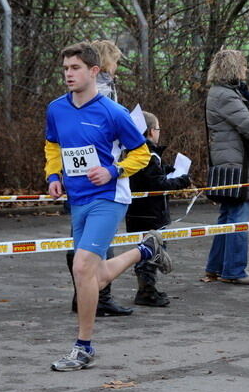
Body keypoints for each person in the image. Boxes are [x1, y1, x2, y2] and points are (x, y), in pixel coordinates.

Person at [45, 42, 170, 370]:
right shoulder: (56, 108)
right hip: (77, 198)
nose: (69, 74)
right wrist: (53, 175)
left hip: (109, 197)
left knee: (82, 267)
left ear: (94, 71)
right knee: (95, 276)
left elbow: (141, 152)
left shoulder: (114, 112)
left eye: (75, 68)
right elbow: (52, 145)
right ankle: (145, 251)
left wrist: (113, 170)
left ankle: (83, 347)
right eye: (66, 69)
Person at [65, 39, 131, 317]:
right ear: (103, 64)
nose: (117, 67)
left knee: (84, 249)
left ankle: (86, 296)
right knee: (94, 249)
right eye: (115, 61)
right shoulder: (100, 91)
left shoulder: (90, 89)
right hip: (96, 181)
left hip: (87, 181)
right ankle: (95, 296)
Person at [204, 50, 249, 285]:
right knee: (238, 216)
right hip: (235, 163)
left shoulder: (218, 93)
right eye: (243, 67)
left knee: (227, 216)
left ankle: (216, 268)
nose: (245, 70)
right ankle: (234, 271)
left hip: (225, 161)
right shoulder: (226, 96)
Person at [125, 111, 192, 307]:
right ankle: (147, 291)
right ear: (151, 131)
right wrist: (181, 181)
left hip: (136, 212)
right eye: (158, 129)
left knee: (144, 250)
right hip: (151, 213)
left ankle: (147, 288)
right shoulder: (149, 154)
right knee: (152, 251)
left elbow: (150, 177)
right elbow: (157, 184)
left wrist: (166, 169)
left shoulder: (133, 152)